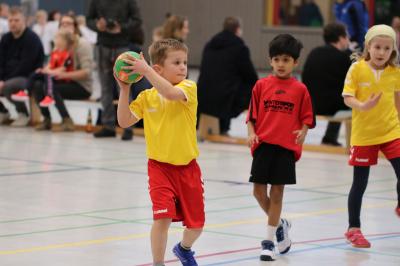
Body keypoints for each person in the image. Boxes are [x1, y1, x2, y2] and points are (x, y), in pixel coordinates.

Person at [116, 38, 204, 266]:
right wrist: (125, 90)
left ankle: (184, 249)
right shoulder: (147, 97)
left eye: (184, 62)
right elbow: (124, 121)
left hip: (188, 169)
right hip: (159, 168)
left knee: (196, 227)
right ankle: (158, 263)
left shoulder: (188, 88)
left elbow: (170, 94)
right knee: (162, 218)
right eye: (176, 62)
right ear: (159, 69)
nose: (183, 67)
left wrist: (144, 71)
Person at [246, 34, 315, 261]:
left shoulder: (300, 89)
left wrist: (304, 130)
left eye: (286, 60)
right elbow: (252, 116)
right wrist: (251, 133)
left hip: (285, 148)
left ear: (295, 62)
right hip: (263, 145)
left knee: (276, 194)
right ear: (270, 61)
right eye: (277, 59)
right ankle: (280, 224)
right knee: (258, 192)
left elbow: (307, 117)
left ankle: (268, 243)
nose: (281, 64)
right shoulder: (261, 85)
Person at [342, 24, 400, 248]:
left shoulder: (395, 72)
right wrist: (363, 105)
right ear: (368, 46)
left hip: (391, 130)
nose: (381, 52)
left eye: (387, 48)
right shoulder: (357, 69)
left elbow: (397, 101)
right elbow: (347, 97)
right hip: (364, 134)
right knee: (360, 183)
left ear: (392, 50)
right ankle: (353, 229)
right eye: (377, 47)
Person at [87, 0, 143, 140]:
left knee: (124, 87)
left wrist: (122, 28)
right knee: (105, 87)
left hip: (122, 45)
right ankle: (108, 126)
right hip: (102, 45)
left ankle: (128, 127)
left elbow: (137, 21)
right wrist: (98, 26)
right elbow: (89, 19)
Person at [30, 14, 94, 131]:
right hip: (63, 81)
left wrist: (62, 75)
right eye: (62, 24)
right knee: (38, 85)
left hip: (82, 86)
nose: (65, 26)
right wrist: (45, 70)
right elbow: (51, 65)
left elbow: (87, 72)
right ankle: (47, 119)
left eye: (68, 23)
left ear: (75, 27)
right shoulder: (59, 44)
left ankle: (67, 120)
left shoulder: (82, 44)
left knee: (50, 87)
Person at [197, 17, 258, 135]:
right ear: (238, 30)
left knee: (224, 81)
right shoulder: (240, 48)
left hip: (203, 97)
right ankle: (225, 124)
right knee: (252, 86)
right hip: (224, 100)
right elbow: (251, 76)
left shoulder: (209, 45)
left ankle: (221, 125)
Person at [302, 22, 351, 146]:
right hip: (334, 107)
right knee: (351, 99)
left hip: (311, 104)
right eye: (347, 37)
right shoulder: (345, 57)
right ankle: (332, 137)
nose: (348, 40)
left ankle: (330, 137)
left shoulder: (314, 53)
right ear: (341, 38)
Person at [0, 6, 44, 126]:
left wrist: (4, 81)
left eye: (16, 20)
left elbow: (26, 66)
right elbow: (1, 61)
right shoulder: (5, 38)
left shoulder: (32, 38)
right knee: (5, 84)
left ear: (24, 21)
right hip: (9, 76)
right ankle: (3, 111)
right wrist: (1, 79)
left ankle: (23, 113)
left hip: (29, 77)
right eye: (10, 20)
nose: (13, 23)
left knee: (8, 86)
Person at [13, 29, 75, 108]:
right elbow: (50, 64)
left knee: (48, 76)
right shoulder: (55, 52)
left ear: (65, 41)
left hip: (61, 77)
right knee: (35, 73)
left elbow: (63, 69)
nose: (55, 41)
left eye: (58, 39)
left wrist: (50, 71)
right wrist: (44, 70)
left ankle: (49, 96)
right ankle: (25, 91)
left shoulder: (67, 54)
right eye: (55, 38)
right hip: (52, 73)